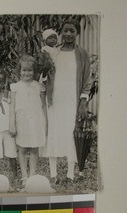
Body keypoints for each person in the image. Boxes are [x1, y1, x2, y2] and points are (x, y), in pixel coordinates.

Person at [41, 19, 92, 183]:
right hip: (55, 98)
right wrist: (43, 71)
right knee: (54, 133)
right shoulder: (53, 52)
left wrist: (83, 101)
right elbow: (44, 75)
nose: (68, 34)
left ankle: (70, 174)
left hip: (72, 99)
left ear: (77, 33)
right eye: (65, 31)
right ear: (61, 32)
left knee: (71, 133)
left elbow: (87, 79)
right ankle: (54, 174)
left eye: (72, 31)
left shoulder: (82, 54)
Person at [9, 55, 47, 188]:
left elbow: (43, 106)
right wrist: (12, 124)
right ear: (19, 71)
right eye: (24, 70)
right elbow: (12, 106)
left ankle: (32, 175)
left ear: (34, 71)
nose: (27, 73)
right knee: (22, 148)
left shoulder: (39, 86)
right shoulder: (15, 87)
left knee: (34, 147)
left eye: (30, 70)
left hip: (36, 119)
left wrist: (45, 123)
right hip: (22, 120)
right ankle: (24, 175)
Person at [38, 29, 58, 107]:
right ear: (45, 40)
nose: (53, 40)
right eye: (50, 38)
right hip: (49, 71)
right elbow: (46, 61)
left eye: (55, 38)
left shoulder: (56, 50)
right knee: (49, 88)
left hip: (56, 71)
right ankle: (49, 104)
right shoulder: (45, 49)